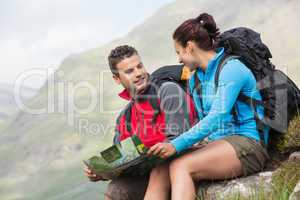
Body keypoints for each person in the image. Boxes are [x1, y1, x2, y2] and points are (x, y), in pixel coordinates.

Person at [146, 13, 270, 200]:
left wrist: (176, 144)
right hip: (217, 143)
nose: (179, 60)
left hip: (248, 143)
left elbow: (216, 116)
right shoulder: (196, 77)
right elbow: (203, 121)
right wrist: (177, 147)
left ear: (189, 47)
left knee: (181, 166)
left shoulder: (232, 69)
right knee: (161, 167)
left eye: (178, 52)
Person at [84, 45, 197, 200]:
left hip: (182, 161)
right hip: (150, 172)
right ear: (117, 79)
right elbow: (121, 159)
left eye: (139, 66)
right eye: (130, 71)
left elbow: (179, 140)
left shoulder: (168, 91)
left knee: (159, 171)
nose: (138, 73)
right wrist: (101, 172)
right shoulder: (125, 117)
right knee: (116, 189)